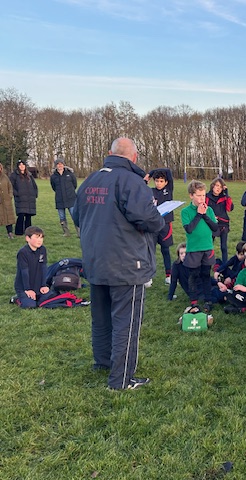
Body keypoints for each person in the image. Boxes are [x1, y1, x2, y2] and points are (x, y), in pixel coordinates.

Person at [72, 137, 165, 390]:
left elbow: (76, 214)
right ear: (134, 157)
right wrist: (159, 218)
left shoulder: (91, 180)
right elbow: (149, 219)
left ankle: (102, 362)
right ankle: (121, 379)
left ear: (110, 153)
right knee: (127, 321)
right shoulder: (132, 182)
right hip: (127, 265)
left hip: (95, 260)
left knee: (101, 317)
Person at [181, 180, 218, 311]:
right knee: (193, 275)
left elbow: (215, 227)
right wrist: (198, 214)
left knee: (206, 275)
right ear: (191, 195)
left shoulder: (210, 210)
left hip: (207, 248)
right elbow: (189, 229)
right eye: (198, 195)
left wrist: (205, 215)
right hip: (194, 249)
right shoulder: (185, 212)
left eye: (203, 195)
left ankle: (208, 300)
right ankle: (194, 302)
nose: (202, 198)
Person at [13, 226, 56, 308]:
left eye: (41, 237)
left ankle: (37, 296)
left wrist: (44, 285)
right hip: (24, 286)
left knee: (49, 300)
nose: (40, 240)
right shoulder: (23, 252)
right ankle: (17, 298)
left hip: (38, 284)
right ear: (27, 238)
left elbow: (43, 268)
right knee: (30, 305)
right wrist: (28, 289)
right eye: (36, 237)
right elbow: (24, 271)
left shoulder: (42, 250)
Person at [145, 168, 174, 284]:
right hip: (152, 225)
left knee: (165, 250)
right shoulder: (150, 191)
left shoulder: (169, 190)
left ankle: (168, 275)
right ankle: (149, 276)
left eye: (161, 181)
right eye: (156, 181)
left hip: (165, 226)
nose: (159, 183)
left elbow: (168, 171)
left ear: (166, 182)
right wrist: (146, 179)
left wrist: (151, 172)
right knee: (150, 251)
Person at [206, 177, 234, 264]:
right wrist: (211, 217)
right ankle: (207, 262)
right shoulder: (207, 197)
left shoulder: (224, 198)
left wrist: (227, 195)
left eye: (221, 187)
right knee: (209, 245)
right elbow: (204, 209)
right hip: (211, 223)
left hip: (223, 223)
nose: (218, 188)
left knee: (224, 247)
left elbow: (229, 209)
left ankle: (225, 264)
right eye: (217, 185)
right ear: (212, 186)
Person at [49, 156, 77, 237]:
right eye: (58, 164)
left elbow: (74, 184)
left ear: (64, 165)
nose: (60, 165)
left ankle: (79, 232)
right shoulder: (53, 176)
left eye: (61, 164)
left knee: (74, 215)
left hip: (71, 198)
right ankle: (66, 233)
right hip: (59, 199)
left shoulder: (70, 174)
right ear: (56, 165)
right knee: (62, 217)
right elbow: (53, 187)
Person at [10, 160, 38, 236]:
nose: (22, 166)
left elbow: (34, 186)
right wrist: (16, 193)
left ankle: (28, 232)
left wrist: (35, 194)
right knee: (21, 215)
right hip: (20, 199)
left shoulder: (29, 175)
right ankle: (18, 232)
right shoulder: (14, 175)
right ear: (18, 166)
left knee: (28, 216)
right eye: (20, 165)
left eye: (23, 164)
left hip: (29, 199)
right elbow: (11, 186)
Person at [0, 162, 16, 239]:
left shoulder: (5, 177)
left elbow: (10, 187)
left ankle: (10, 233)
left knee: (8, 217)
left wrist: (10, 196)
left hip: (6, 201)